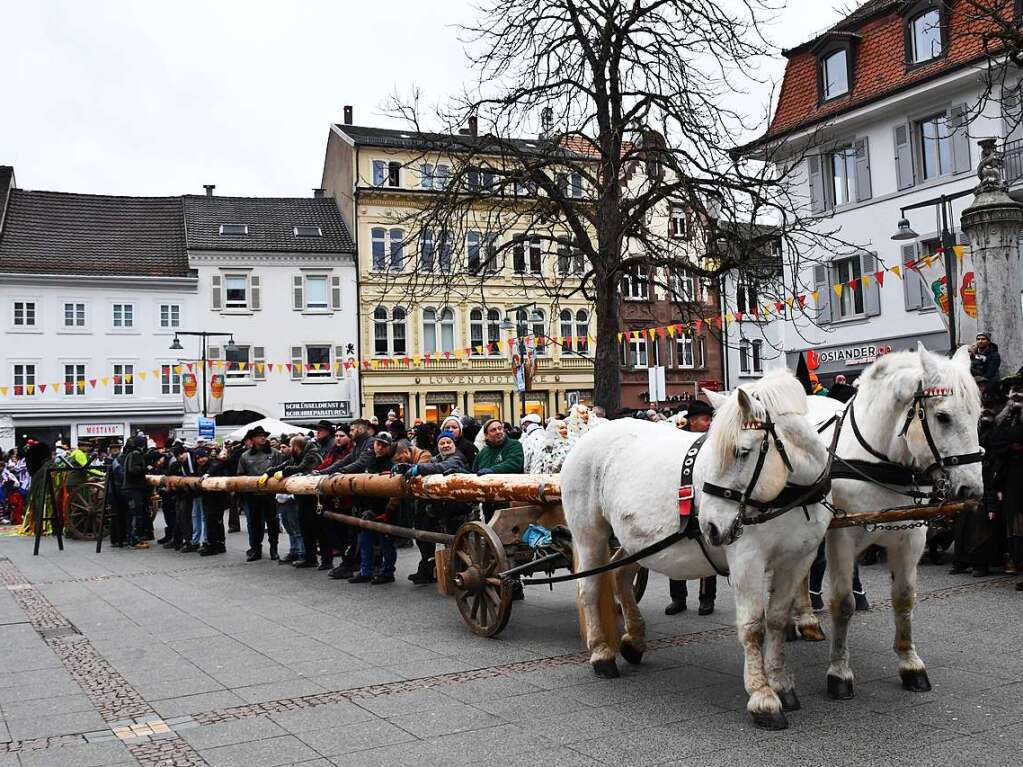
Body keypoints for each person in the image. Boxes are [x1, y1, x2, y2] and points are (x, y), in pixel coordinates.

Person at [666, 399, 717, 616]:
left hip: (704, 499)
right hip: (679, 498)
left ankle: (707, 599)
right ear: (693, 421)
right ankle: (678, 598)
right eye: (706, 420)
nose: (709, 423)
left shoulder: (713, 442)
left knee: (708, 549)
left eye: (710, 419)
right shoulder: (677, 440)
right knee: (675, 548)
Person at [404, 431, 471, 584]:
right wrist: (408, 467)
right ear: (438, 446)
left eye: (449, 443)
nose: (446, 445)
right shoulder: (437, 458)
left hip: (459, 509)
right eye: (442, 443)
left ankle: (461, 577)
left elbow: (442, 467)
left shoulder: (457, 458)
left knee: (457, 545)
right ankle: (428, 569)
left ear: (454, 445)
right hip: (444, 509)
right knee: (425, 532)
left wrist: (419, 469)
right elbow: (431, 465)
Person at [986, 375, 1023, 590]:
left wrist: (1010, 441)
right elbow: (994, 439)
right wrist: (1013, 444)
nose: (1016, 395)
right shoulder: (1006, 416)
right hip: (1011, 480)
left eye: (1020, 391)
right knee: (1015, 527)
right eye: (1013, 391)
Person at [347, 432, 398, 584]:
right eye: (378, 444)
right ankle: (366, 571)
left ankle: (388, 572)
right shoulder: (369, 462)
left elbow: (394, 493)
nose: (380, 448)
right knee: (365, 541)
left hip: (384, 510)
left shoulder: (392, 466)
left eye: (384, 445)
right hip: (367, 508)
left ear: (389, 448)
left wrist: (386, 511)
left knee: (386, 543)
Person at [277, 435, 325, 570]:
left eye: (291, 446)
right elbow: (286, 465)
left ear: (296, 447)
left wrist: (284, 472)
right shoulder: (295, 456)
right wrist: (270, 472)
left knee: (318, 529)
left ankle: (326, 561)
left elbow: (300, 468)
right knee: (305, 529)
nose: (289, 448)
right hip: (302, 497)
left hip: (314, 497)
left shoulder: (311, 455)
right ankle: (310, 559)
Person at [236, 426, 281, 561]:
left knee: (273, 523)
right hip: (252, 495)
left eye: (264, 435)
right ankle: (256, 549)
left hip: (270, 495)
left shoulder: (275, 453)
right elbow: (240, 474)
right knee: (255, 524)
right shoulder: (245, 455)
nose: (263, 438)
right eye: (259, 436)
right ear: (253, 439)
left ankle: (274, 549)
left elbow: (281, 469)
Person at [195, 446, 228, 557]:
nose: (201, 460)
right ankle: (216, 544)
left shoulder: (215, 463)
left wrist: (208, 474)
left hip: (218, 498)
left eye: (202, 457)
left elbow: (216, 467)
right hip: (208, 499)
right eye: (198, 458)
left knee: (215, 522)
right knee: (212, 521)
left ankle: (215, 545)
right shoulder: (200, 468)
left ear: (207, 456)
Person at [121, 435, 151, 549]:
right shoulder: (136, 454)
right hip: (133, 488)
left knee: (132, 513)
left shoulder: (130, 453)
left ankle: (132, 538)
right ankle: (134, 540)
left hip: (129, 488)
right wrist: (145, 468)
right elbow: (133, 469)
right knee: (135, 513)